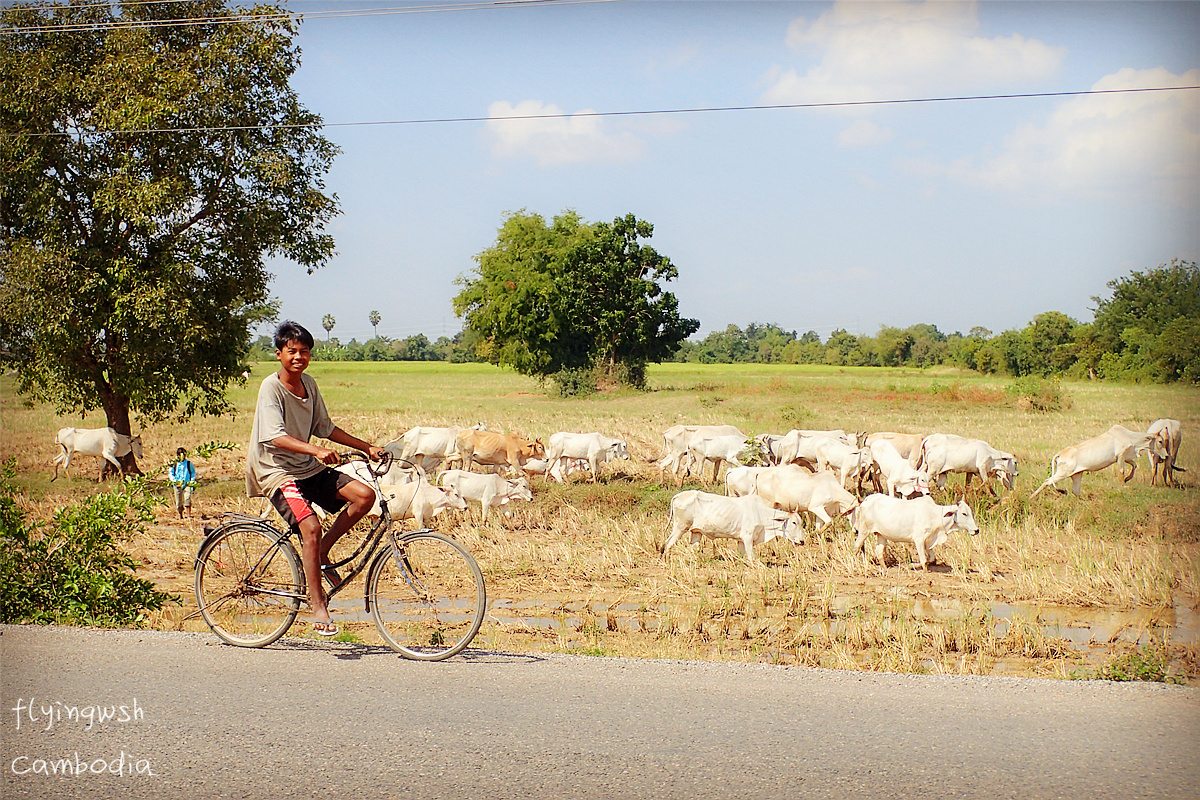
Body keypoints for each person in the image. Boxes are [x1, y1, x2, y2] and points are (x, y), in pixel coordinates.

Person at [246, 321, 384, 637]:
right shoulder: (271, 387)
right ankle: (316, 601)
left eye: (304, 351)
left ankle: (322, 552)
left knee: (364, 496)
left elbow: (325, 427)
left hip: (307, 467)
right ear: (279, 354)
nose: (298, 357)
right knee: (310, 526)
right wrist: (316, 450)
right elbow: (274, 436)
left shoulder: (309, 384)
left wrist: (367, 447)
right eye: (291, 351)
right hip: (276, 471)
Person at [169, 447, 197, 519]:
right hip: (177, 485)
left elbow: (192, 472)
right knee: (179, 501)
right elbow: (171, 473)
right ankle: (180, 515)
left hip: (187, 483)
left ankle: (188, 515)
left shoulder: (188, 463)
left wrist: (192, 482)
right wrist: (175, 482)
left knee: (187, 498)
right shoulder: (174, 464)